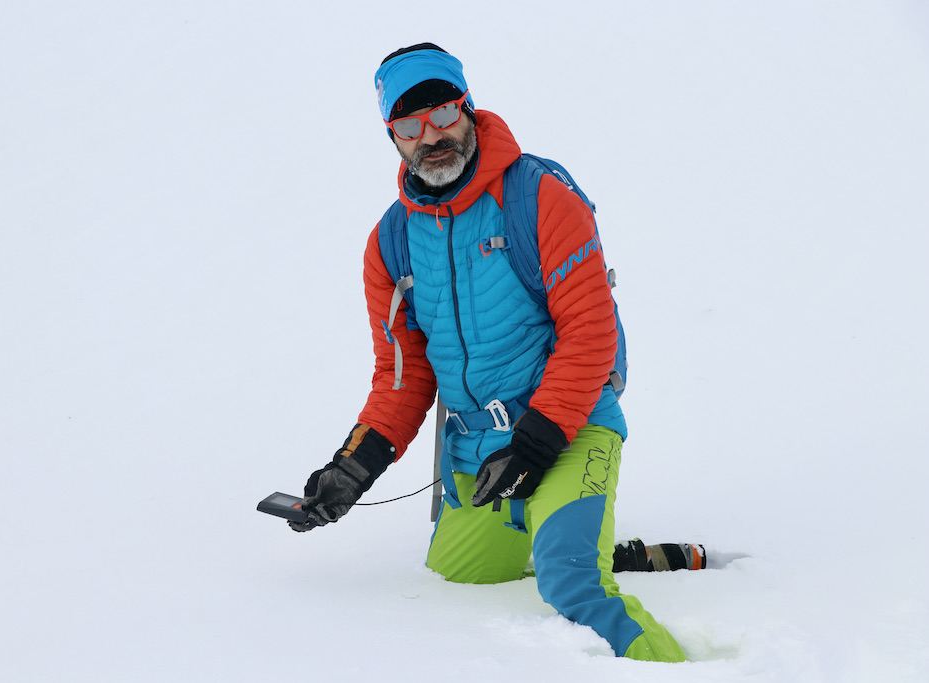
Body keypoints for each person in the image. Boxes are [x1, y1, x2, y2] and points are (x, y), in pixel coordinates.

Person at [288, 43, 688, 663]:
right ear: (392, 137)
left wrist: (536, 441)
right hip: (478, 455)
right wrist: (351, 469)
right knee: (457, 586)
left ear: (470, 110)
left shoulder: (540, 196)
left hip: (571, 426)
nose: (432, 135)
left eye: (444, 113)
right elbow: (403, 378)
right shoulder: (391, 243)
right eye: (410, 125)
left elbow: (590, 332)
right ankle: (575, 535)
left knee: (573, 585)